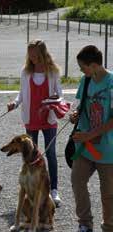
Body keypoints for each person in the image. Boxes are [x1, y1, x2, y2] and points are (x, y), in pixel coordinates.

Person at [7, 39, 62, 206]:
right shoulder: (26, 72)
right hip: (31, 120)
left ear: (43, 53)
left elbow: (60, 95)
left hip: (49, 119)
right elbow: (21, 95)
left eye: (36, 55)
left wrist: (56, 101)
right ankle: (32, 189)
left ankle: (53, 190)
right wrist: (14, 104)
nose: (33, 58)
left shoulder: (53, 71)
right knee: (30, 156)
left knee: (50, 153)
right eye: (30, 55)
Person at [69, 45, 113, 232]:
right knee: (77, 181)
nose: (81, 70)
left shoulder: (112, 83)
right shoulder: (86, 80)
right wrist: (75, 114)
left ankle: (109, 226)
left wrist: (90, 134)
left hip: (108, 149)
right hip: (85, 146)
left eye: (83, 67)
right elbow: (81, 105)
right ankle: (85, 223)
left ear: (94, 65)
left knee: (108, 193)